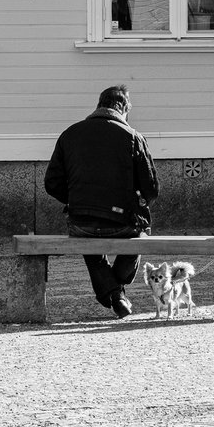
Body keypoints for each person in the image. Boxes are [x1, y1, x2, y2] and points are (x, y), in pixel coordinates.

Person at [44, 85, 158, 318]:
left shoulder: (70, 134)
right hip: (122, 222)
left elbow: (52, 183)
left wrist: (75, 199)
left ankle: (114, 292)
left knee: (90, 242)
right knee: (141, 232)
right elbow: (151, 189)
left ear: (99, 105)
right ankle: (117, 290)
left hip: (81, 222)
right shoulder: (133, 137)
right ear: (124, 108)